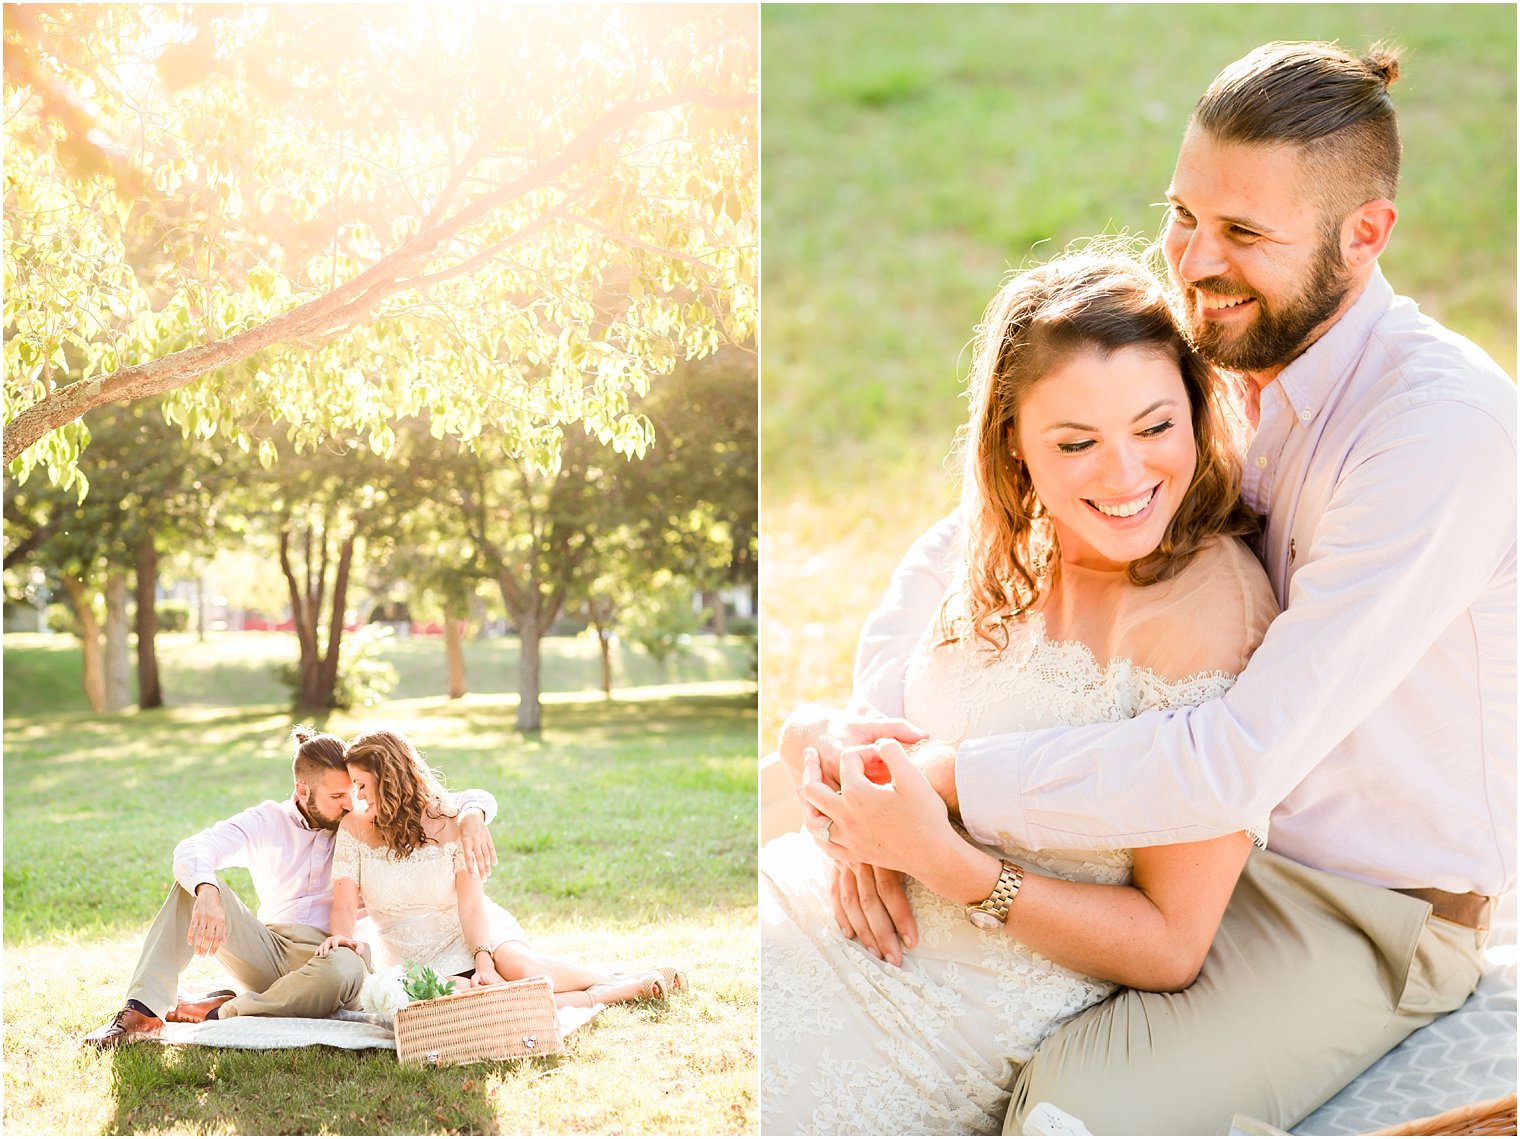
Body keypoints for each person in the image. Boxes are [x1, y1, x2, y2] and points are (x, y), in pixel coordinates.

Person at [823, 42, 1514, 1134]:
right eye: (1181, 214)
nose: (1193, 262)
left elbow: (1236, 759)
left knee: (1076, 1110)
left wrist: (946, 781)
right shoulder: (1218, 350)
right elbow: (969, 532)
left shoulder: (1435, 435)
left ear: (1364, 234)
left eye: (1242, 233)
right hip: (1177, 848)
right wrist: (869, 747)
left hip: (1353, 905)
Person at [760, 251, 1280, 1135]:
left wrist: (950, 866)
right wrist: (831, 769)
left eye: (1155, 427)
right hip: (811, 916)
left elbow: (1170, 941)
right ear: (1013, 442)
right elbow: (869, 729)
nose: (1123, 477)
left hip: (938, 1018)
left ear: (1197, 410)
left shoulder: (1211, 610)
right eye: (1075, 443)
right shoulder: (996, 546)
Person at [83, 726, 500, 1047]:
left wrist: (473, 814)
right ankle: (141, 1012)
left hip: (331, 959)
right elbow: (195, 848)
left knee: (348, 964)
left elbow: (447, 795)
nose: (351, 803)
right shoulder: (267, 821)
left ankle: (224, 1010)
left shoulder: (364, 823)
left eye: (353, 791)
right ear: (303, 790)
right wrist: (207, 890)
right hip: (268, 948)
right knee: (190, 885)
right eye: (339, 794)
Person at [316, 728, 683, 1008]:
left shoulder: (451, 820)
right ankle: (606, 993)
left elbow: (472, 904)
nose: (357, 798)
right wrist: (342, 936)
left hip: (471, 931)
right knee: (481, 1003)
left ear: (390, 780)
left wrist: (484, 961)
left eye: (362, 785)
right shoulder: (354, 828)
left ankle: (609, 980)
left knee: (521, 971)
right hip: (411, 955)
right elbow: (345, 904)